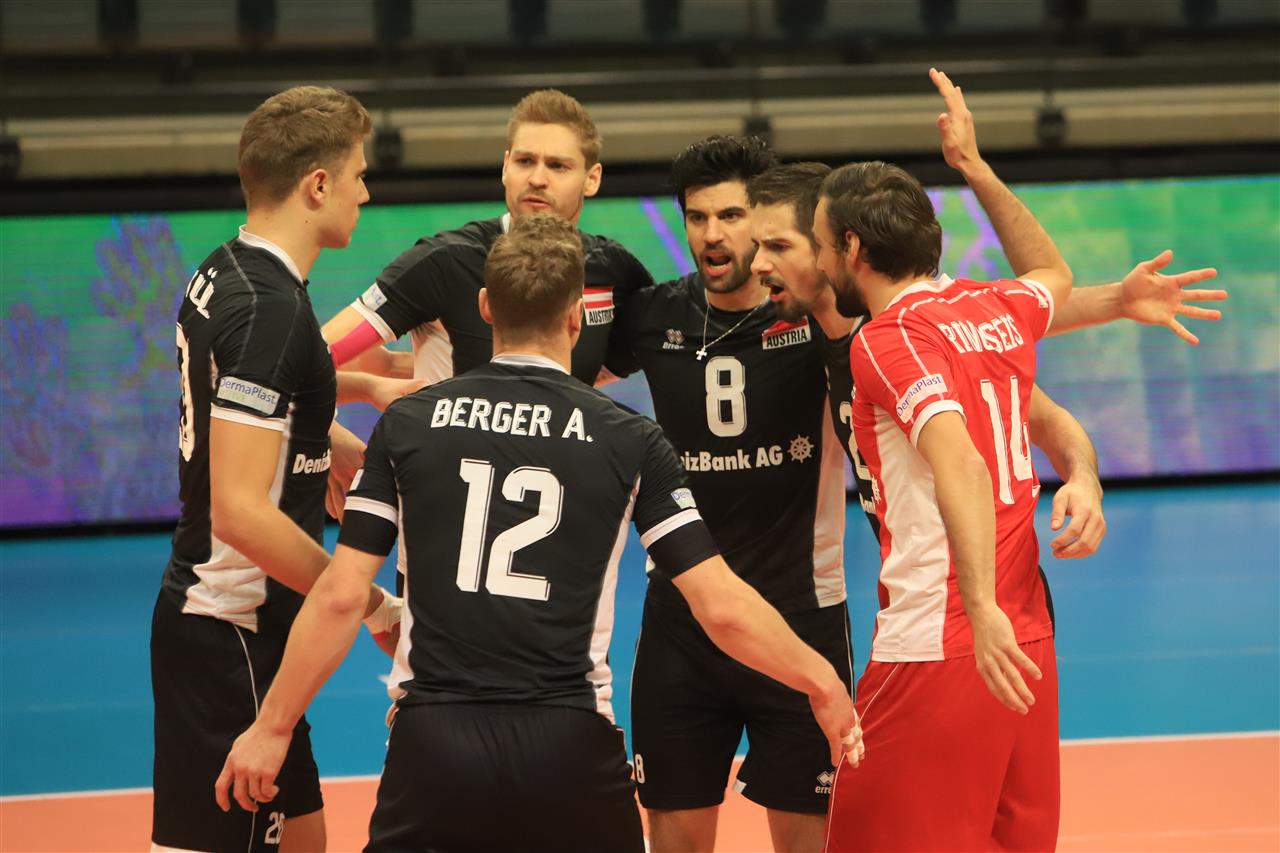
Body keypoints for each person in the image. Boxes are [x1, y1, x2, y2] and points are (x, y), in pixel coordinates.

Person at [212, 213, 862, 853]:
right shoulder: (630, 439)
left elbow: (340, 595)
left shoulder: (409, 422)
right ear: (577, 317)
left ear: (486, 307)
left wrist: (272, 726)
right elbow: (719, 603)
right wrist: (822, 681)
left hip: (434, 741)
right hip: (569, 743)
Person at [813, 68, 1168, 851]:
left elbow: (963, 467)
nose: (816, 259)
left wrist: (977, 610)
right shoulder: (991, 308)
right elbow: (1055, 276)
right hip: (1027, 637)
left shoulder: (887, 339)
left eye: (819, 242)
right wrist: (973, 166)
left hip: (943, 639)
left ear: (853, 248)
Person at [151, 86, 406, 853]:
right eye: (358, 174)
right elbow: (240, 511)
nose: (366, 191)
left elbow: (250, 392)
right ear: (317, 184)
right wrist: (364, 601)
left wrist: (333, 427)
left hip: (255, 637)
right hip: (229, 632)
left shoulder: (226, 269)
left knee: (307, 839)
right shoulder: (273, 310)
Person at [745, 159, 1223, 558]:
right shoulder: (808, 332)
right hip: (924, 584)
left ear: (836, 246)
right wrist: (1115, 299)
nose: (758, 264)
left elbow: (1046, 418)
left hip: (963, 597)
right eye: (757, 247)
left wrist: (1085, 480)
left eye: (779, 246)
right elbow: (1003, 311)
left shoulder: (896, 336)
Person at [608, 136, 853, 853]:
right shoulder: (651, 315)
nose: (712, 234)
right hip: (682, 627)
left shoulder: (817, 314)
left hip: (801, 619)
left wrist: (1110, 302)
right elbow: (542, 365)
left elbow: (946, 326)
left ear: (764, 220)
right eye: (697, 217)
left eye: (731, 215)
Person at [321, 87, 652, 386]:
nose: (537, 178)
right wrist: (367, 393)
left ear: (592, 179)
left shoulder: (614, 271)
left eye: (557, 166)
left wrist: (396, 367)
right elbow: (317, 354)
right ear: (506, 167)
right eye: (525, 161)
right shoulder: (445, 261)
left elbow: (585, 378)